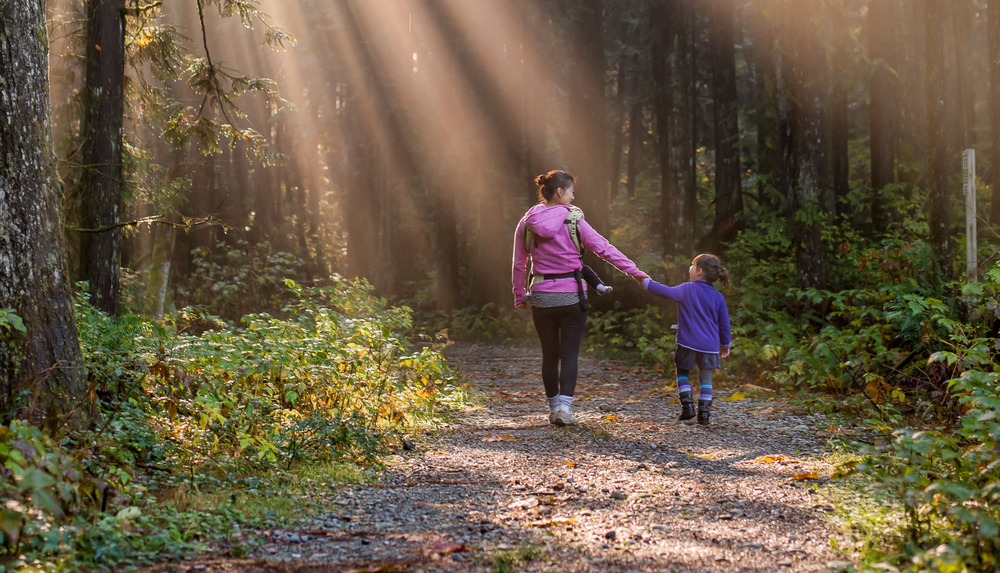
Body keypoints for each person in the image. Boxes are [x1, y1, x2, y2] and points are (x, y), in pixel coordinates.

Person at [512, 169, 649, 426]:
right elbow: (604, 249)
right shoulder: (574, 220)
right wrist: (635, 273)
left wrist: (520, 294)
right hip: (572, 296)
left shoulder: (527, 221)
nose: (574, 197)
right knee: (569, 354)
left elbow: (519, 263)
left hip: (542, 296)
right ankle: (565, 409)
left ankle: (553, 410)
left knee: (549, 355)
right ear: (560, 192)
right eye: (572, 191)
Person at [639, 254, 731, 425]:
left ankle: (687, 407)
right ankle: (704, 414)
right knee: (706, 378)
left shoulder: (687, 289)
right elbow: (724, 324)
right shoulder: (718, 297)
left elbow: (665, 291)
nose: (690, 268)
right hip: (709, 346)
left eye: (692, 265)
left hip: (687, 342)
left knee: (682, 372)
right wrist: (725, 345)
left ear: (699, 271)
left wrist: (645, 282)